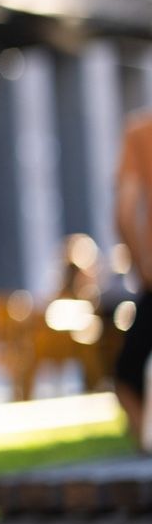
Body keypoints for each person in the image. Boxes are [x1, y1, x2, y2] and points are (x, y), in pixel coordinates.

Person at [114, 110, 152, 446]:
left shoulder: (142, 131)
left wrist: (143, 268)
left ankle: (145, 443)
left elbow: (124, 213)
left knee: (127, 373)